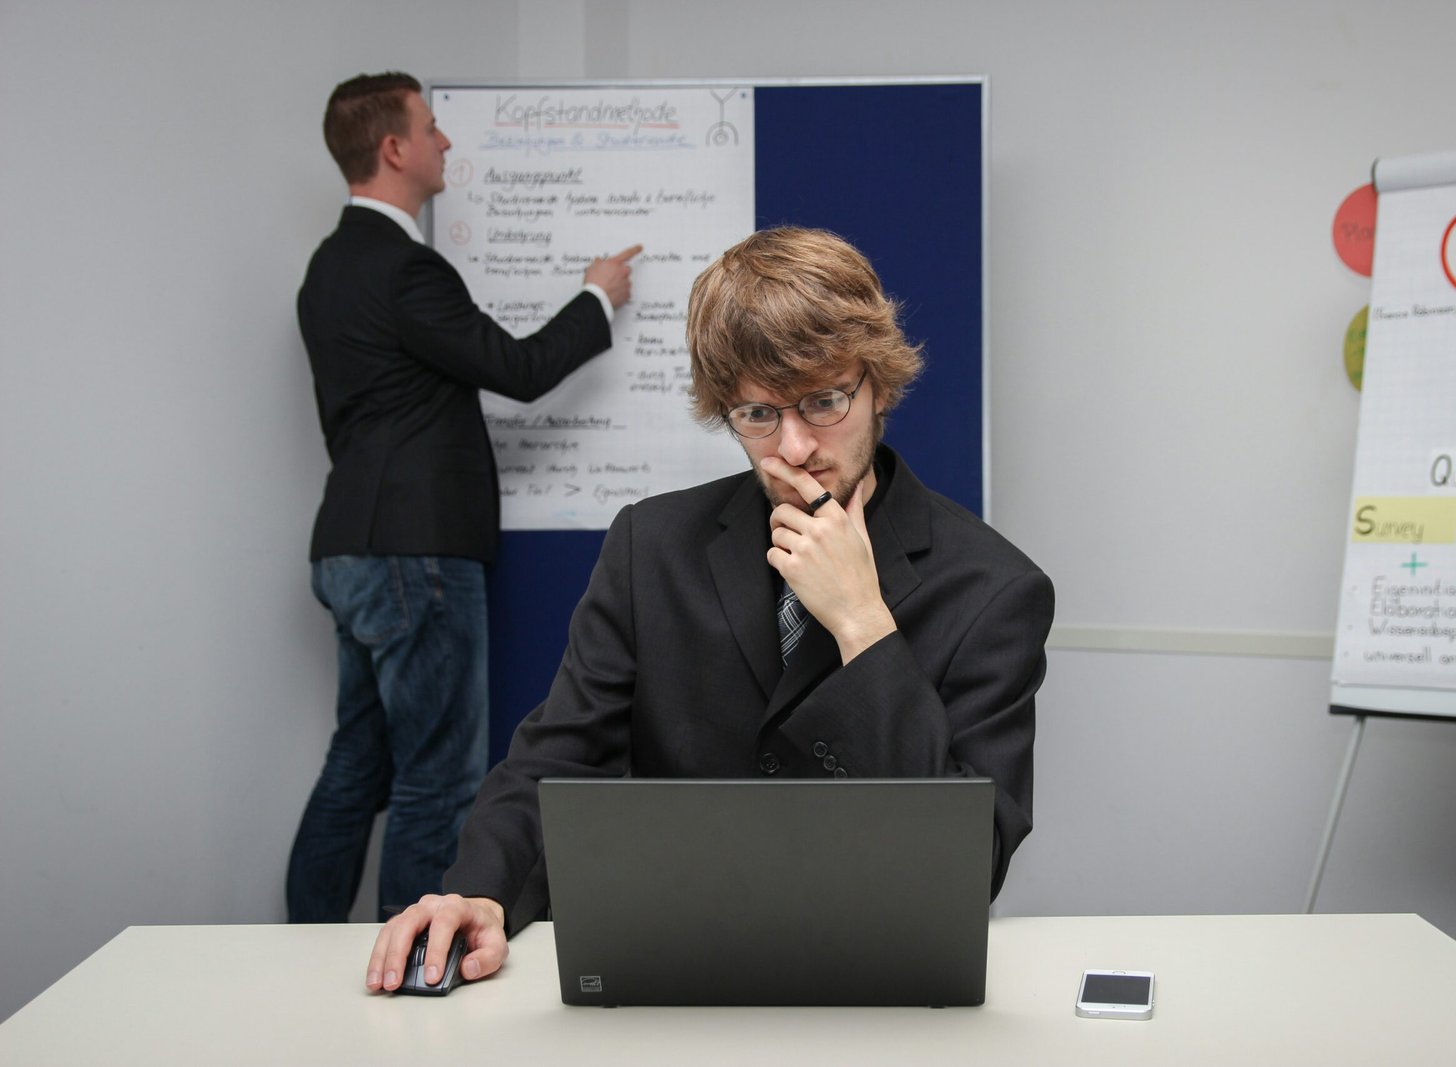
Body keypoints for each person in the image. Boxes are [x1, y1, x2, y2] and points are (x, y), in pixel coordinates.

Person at [364, 227, 1054, 992]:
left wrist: (864, 623)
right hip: (676, 967)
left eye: (824, 400)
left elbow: (971, 861)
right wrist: (479, 890)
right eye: (757, 414)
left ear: (880, 384)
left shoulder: (995, 588)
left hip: (881, 977)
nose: (792, 447)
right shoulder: (651, 545)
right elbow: (556, 758)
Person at [289, 71, 642, 922]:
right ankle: (411, 963)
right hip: (416, 555)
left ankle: (299, 951)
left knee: (356, 767)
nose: (446, 142)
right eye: (432, 127)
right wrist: (598, 296)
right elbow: (516, 371)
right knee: (437, 779)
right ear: (393, 149)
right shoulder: (406, 270)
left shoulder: (327, 270)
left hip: (349, 546)